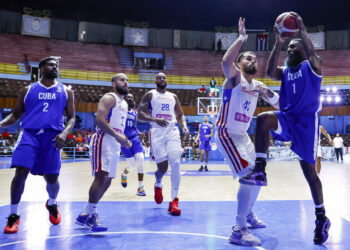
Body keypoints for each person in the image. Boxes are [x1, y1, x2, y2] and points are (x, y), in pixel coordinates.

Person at [241, 12, 331, 245]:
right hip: (289, 118)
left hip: (307, 124)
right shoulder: (287, 71)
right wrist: (278, 43)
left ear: (303, 50)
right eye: (289, 47)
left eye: (293, 47)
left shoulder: (313, 67)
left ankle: (321, 217)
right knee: (263, 119)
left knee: (310, 173)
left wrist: (301, 27)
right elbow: (270, 72)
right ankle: (260, 168)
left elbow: (311, 52)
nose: (290, 49)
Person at [215, 18, 279, 246]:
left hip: (242, 136)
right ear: (240, 63)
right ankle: (238, 229)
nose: (253, 60)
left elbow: (279, 105)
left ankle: (249, 214)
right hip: (226, 133)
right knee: (249, 173)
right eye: (247, 57)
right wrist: (241, 38)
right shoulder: (234, 79)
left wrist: (268, 93)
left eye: (254, 58)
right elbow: (225, 61)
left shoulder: (257, 85)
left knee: (258, 175)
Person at [1, 57, 75, 234]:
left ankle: (52, 202)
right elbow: (15, 114)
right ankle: (13, 216)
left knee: (51, 180)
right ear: (41, 69)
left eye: (56, 65)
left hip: (52, 138)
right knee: (20, 173)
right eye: (50, 65)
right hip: (29, 135)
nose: (55, 67)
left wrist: (65, 132)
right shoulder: (28, 90)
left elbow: (72, 117)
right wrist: (1, 124)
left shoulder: (66, 91)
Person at [76, 73, 131, 232]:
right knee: (102, 176)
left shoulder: (124, 103)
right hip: (104, 139)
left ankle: (85, 213)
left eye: (127, 80)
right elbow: (99, 120)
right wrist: (117, 136)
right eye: (122, 80)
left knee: (108, 180)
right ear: (113, 84)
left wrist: (124, 140)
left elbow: (118, 126)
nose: (125, 82)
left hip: (115, 142)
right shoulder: (109, 98)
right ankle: (93, 215)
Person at [138, 72, 189, 216]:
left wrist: (183, 125)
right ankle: (158, 183)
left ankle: (174, 200)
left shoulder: (173, 96)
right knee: (163, 167)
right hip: (157, 132)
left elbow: (180, 114)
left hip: (172, 130)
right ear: (155, 80)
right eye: (159, 77)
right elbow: (140, 114)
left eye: (164, 77)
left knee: (176, 162)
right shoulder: (150, 94)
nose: (162, 79)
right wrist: (155, 120)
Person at [120, 93, 146, 196]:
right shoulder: (120, 111)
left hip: (135, 139)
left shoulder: (135, 113)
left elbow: (134, 127)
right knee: (132, 164)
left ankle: (140, 187)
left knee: (140, 159)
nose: (130, 98)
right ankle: (124, 174)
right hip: (124, 140)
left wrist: (139, 133)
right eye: (128, 97)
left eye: (132, 97)